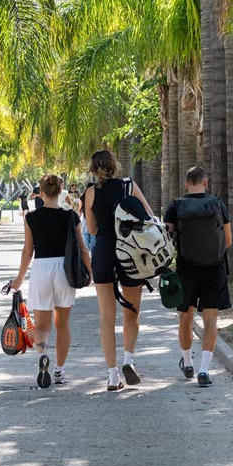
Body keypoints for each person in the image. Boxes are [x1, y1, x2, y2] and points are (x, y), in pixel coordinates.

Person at [83, 149, 154, 391]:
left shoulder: (90, 193)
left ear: (94, 170)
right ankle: (128, 360)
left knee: (106, 317)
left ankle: (113, 375)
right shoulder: (129, 187)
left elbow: (92, 230)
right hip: (130, 254)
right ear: (115, 166)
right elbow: (149, 217)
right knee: (132, 310)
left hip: (103, 253)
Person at [11, 174, 91, 388]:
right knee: (62, 324)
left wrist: (19, 279)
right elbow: (83, 248)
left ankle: (42, 355)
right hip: (64, 269)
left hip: (41, 269)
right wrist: (90, 273)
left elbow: (27, 251)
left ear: (42, 193)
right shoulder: (71, 217)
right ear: (60, 191)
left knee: (42, 325)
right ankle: (59, 370)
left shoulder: (31, 218)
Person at [164, 166, 232, 388]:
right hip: (215, 267)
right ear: (206, 182)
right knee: (210, 320)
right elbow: (228, 240)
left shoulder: (175, 206)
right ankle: (204, 370)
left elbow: (167, 240)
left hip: (186, 268)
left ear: (186, 184)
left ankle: (187, 362)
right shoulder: (218, 204)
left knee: (185, 317)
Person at [80, 181, 96, 253]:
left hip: (85, 219)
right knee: (93, 238)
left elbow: (80, 209)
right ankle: (92, 255)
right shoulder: (95, 196)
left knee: (85, 236)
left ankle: (86, 255)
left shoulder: (83, 197)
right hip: (94, 219)